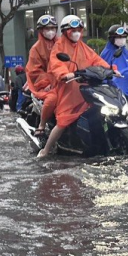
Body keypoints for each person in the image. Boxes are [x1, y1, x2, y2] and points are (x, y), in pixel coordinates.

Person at [37, 15, 112, 157]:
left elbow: (96, 60)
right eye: (73, 30)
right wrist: (65, 74)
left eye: (79, 30)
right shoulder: (59, 47)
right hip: (67, 89)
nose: (77, 33)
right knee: (63, 121)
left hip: (86, 88)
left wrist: (111, 70)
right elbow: (56, 64)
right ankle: (46, 150)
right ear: (66, 32)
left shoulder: (83, 47)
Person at [25, 14, 59, 134]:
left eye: (53, 28)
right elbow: (35, 71)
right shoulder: (36, 49)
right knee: (52, 99)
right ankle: (42, 125)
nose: (50, 31)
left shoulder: (62, 44)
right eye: (47, 29)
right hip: (47, 85)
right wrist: (47, 83)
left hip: (64, 81)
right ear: (41, 31)